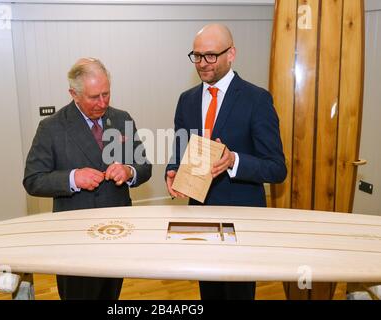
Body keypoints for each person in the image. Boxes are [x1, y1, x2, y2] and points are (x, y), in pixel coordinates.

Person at [165, 24, 287, 300]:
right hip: (199, 216)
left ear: (231, 54)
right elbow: (180, 150)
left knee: (238, 294)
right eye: (196, 56)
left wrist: (234, 161)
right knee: (209, 291)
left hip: (242, 221)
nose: (201, 63)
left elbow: (277, 168)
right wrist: (173, 171)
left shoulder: (257, 100)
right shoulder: (187, 100)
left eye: (210, 56)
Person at [23, 58, 152, 300]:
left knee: (110, 294)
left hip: (117, 231)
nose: (102, 103)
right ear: (74, 94)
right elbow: (33, 180)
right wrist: (73, 178)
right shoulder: (51, 127)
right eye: (94, 97)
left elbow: (144, 167)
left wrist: (128, 171)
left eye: (107, 94)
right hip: (75, 237)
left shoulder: (122, 119)